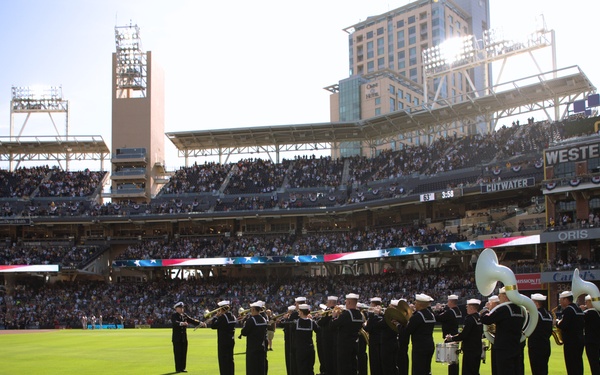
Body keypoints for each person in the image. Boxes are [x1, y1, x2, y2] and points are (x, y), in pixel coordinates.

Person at [480, 288, 524, 375]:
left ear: (506, 297)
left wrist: (486, 310)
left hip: (503, 347)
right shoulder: (520, 309)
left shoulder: (504, 308)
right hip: (515, 345)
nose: (499, 297)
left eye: (500, 295)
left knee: (503, 371)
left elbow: (486, 320)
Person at [397, 293, 435, 375]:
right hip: (430, 345)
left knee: (418, 370)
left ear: (420, 304)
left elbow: (407, 331)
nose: (414, 305)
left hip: (419, 347)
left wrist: (399, 325)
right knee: (427, 370)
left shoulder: (418, 316)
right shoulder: (431, 315)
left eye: (416, 303)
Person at [445, 298, 483, 375]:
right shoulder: (479, 317)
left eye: (467, 307)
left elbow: (464, 335)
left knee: (467, 371)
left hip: (470, 349)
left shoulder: (470, 319)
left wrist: (451, 338)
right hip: (478, 347)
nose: (466, 308)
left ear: (471, 307)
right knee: (475, 370)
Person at [330, 293, 364, 375]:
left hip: (344, 345)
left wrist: (334, 316)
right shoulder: (360, 314)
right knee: (353, 367)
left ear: (348, 302)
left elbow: (332, 326)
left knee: (343, 368)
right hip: (355, 344)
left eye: (346, 302)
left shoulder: (346, 314)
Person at [283, 303, 320, 375]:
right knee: (310, 369)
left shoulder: (296, 323)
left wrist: (286, 318)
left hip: (300, 350)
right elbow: (318, 330)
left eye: (299, 311)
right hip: (310, 349)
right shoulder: (312, 322)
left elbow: (287, 328)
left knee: (301, 369)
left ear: (302, 312)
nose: (298, 313)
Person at [203, 300, 236, 375]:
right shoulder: (233, 316)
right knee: (230, 359)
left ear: (221, 309)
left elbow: (213, 326)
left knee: (223, 360)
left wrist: (215, 317)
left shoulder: (222, 317)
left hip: (223, 341)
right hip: (231, 340)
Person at [557, 290, 585, 375]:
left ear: (566, 300)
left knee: (571, 364)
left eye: (561, 300)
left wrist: (557, 322)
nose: (560, 302)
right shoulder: (579, 310)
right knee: (578, 363)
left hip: (571, 341)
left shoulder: (568, 310)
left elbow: (564, 325)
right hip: (580, 340)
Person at [435, 294, 463, 375]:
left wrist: (437, 310)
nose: (447, 303)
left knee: (451, 360)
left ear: (451, 302)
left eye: (448, 301)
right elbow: (445, 317)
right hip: (455, 336)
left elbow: (439, 318)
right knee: (454, 359)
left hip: (450, 338)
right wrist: (441, 311)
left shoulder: (451, 312)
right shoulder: (457, 311)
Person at [171, 301, 200, 373]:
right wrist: (181, 323)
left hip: (183, 338)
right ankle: (178, 368)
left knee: (184, 353)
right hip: (177, 338)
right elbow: (175, 322)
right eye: (180, 308)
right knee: (178, 353)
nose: (182, 309)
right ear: (176, 308)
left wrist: (200, 323)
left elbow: (192, 320)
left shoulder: (184, 315)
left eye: (182, 308)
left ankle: (183, 368)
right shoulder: (174, 315)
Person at [527, 293, 552, 375]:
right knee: (544, 369)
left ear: (536, 304)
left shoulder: (535, 314)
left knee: (536, 369)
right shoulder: (549, 314)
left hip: (535, 346)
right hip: (546, 345)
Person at [241, 301, 268, 375]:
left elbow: (244, 332)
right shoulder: (264, 319)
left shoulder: (251, 320)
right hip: (261, 347)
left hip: (252, 348)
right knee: (260, 368)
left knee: (252, 368)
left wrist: (244, 323)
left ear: (253, 309)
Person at [316, 295, 337, 375]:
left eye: (328, 302)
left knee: (327, 356)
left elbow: (321, 323)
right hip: (330, 337)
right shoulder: (332, 310)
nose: (327, 303)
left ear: (331, 302)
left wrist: (319, 317)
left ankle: (327, 372)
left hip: (327, 337)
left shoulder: (330, 311)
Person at [364, 297, 384, 375]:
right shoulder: (383, 314)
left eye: (371, 304)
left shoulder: (373, 316)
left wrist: (364, 325)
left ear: (374, 304)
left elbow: (369, 328)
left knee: (374, 364)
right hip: (382, 342)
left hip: (374, 342)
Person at [482, 295, 500, 375]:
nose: (488, 305)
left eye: (490, 303)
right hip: (496, 340)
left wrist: (485, 310)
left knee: (497, 365)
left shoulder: (496, 312)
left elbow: (485, 319)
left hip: (498, 341)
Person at [582, 294, 600, 375]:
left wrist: (581, 310)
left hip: (590, 341)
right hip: (597, 340)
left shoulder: (588, 313)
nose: (586, 304)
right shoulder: (597, 312)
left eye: (586, 302)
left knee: (593, 363)